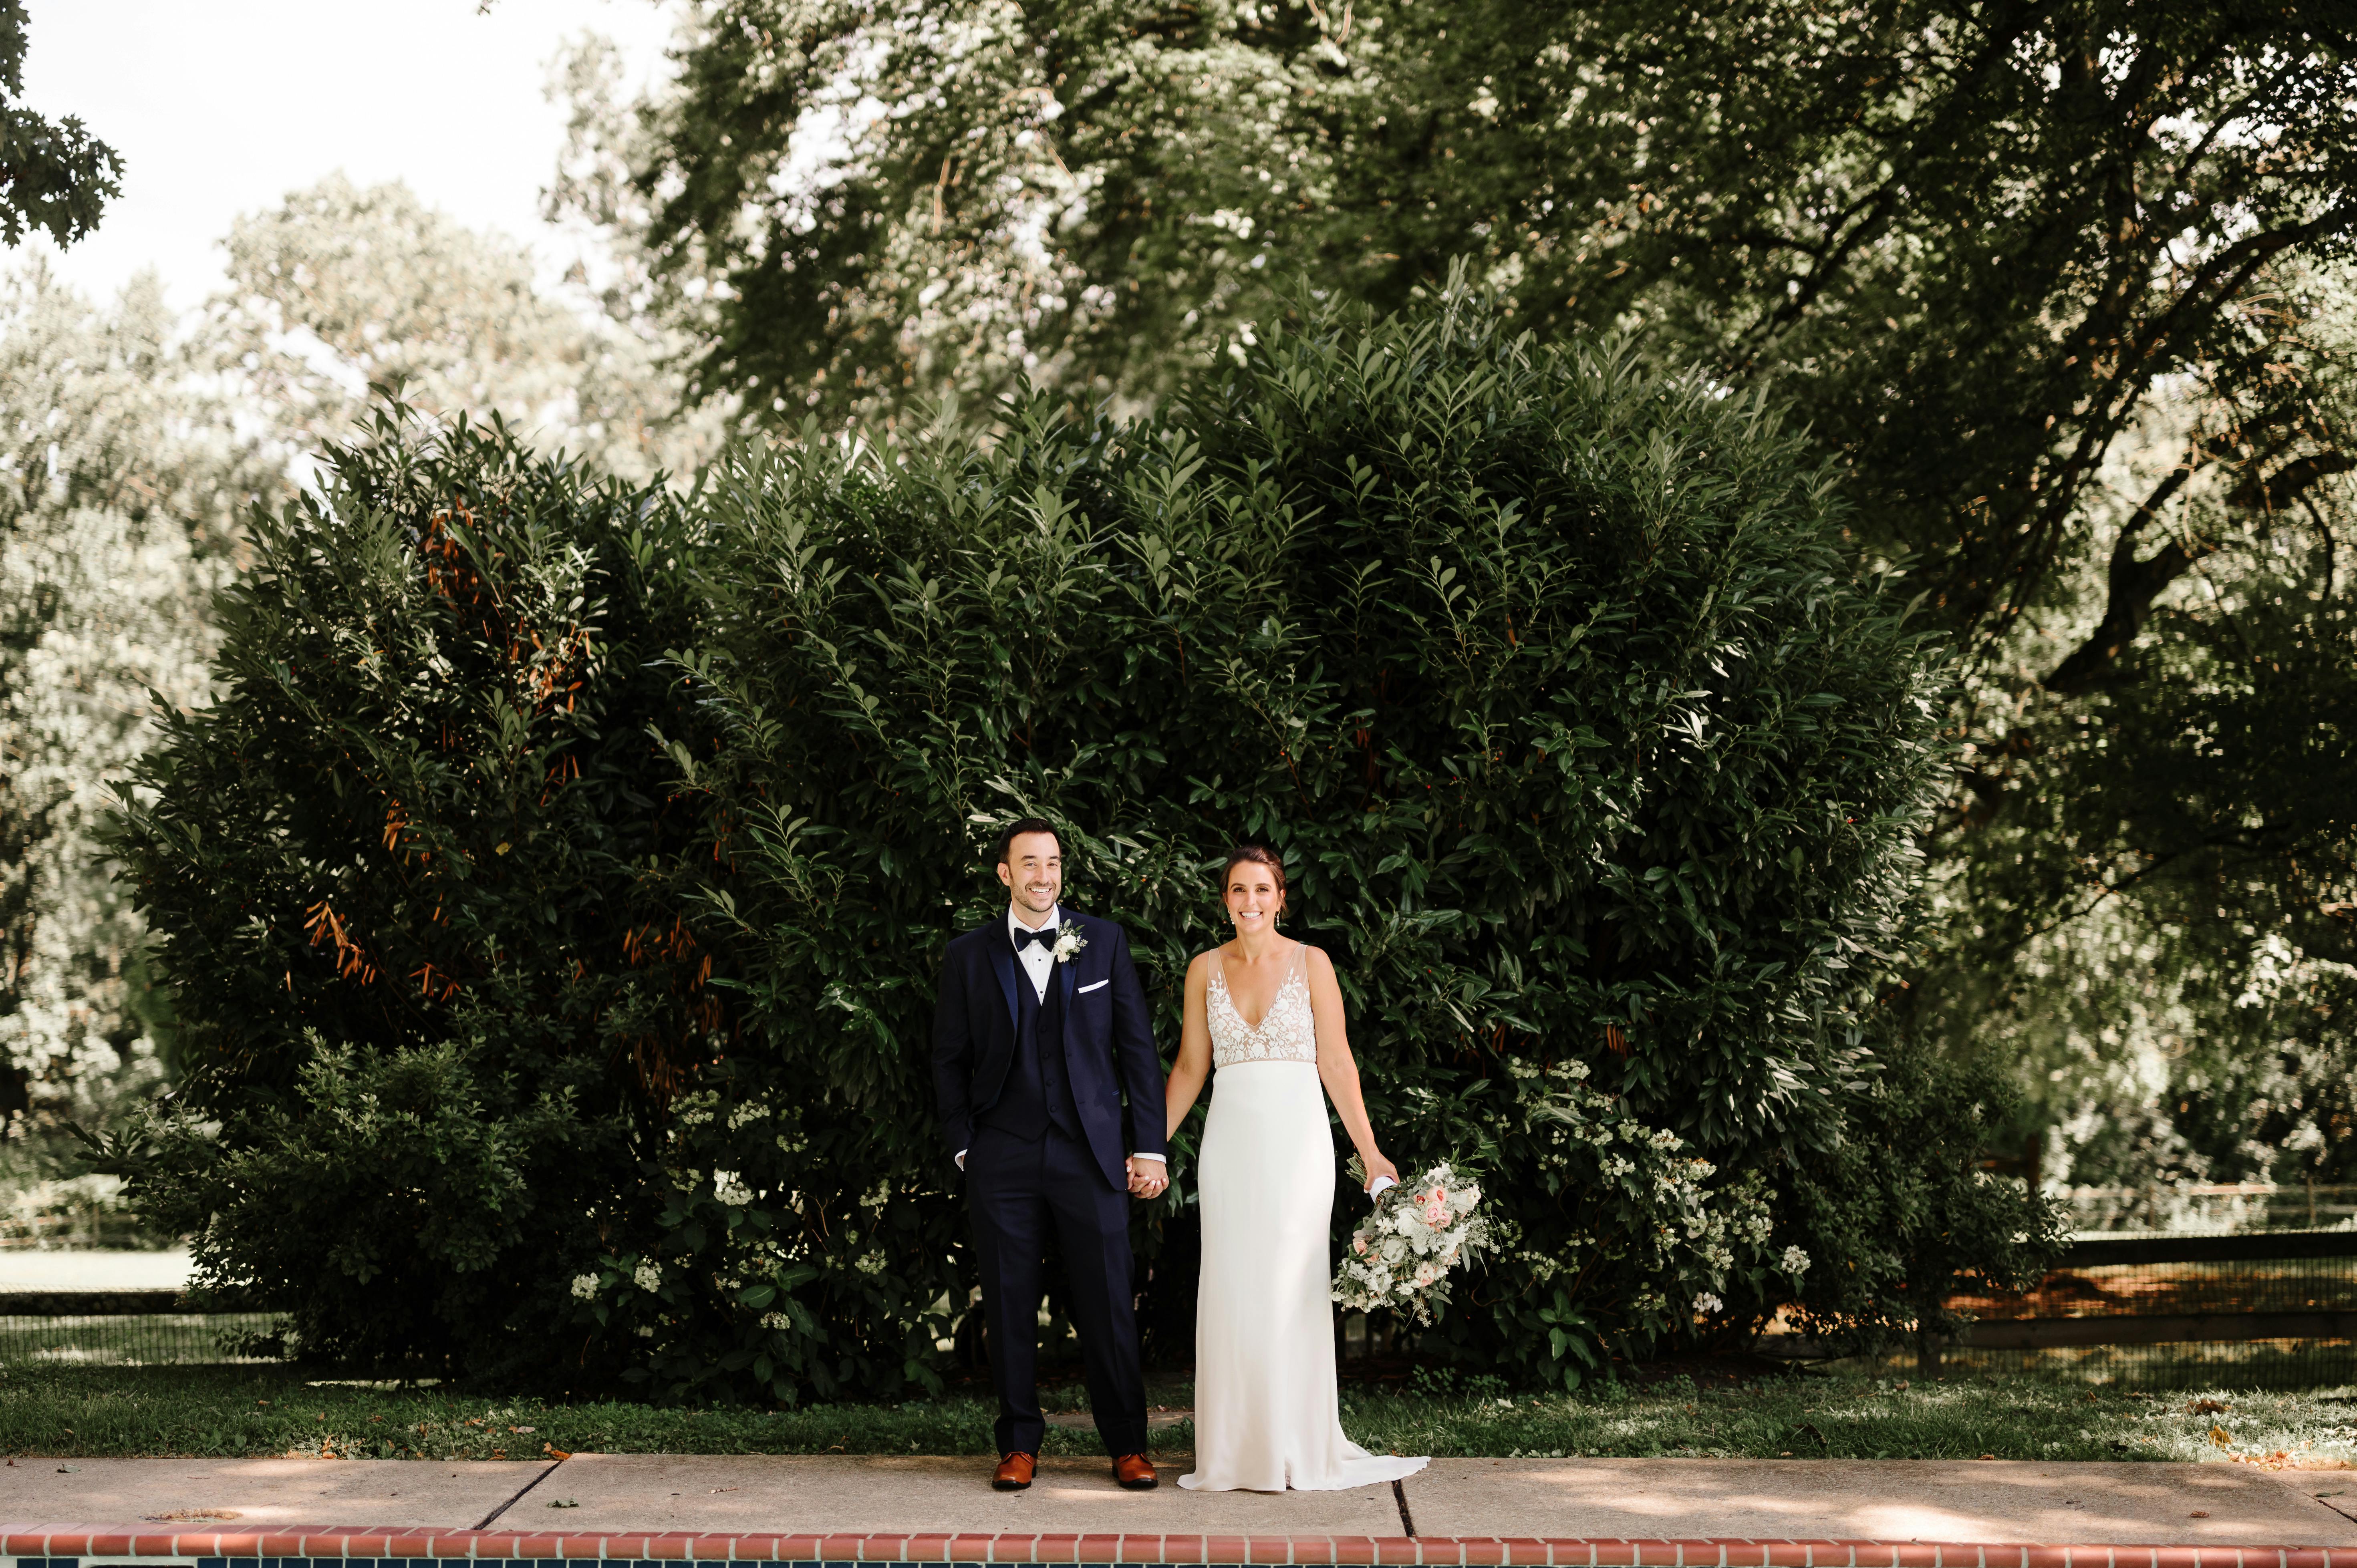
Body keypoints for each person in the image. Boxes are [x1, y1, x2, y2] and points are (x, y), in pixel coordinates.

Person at [1163, 844, 1429, 1492]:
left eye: (1262, 889)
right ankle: (1236, 1451)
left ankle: (1294, 1445)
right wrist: (1149, 1145)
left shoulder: (1313, 963)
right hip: (1230, 1150)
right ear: (1225, 901)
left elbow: (1336, 1062)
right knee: (1233, 1286)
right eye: (1238, 890)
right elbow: (1192, 1066)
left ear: (1281, 899)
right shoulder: (1203, 969)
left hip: (1298, 1147)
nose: (1250, 901)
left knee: (1289, 1286)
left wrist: (1371, 1154)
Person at [933, 817, 1170, 1493]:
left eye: (1054, 863)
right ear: (1005, 874)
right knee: (1009, 1303)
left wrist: (1148, 1148)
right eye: (1030, 863)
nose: (1044, 876)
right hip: (1001, 1155)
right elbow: (947, 1060)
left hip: (1089, 1153)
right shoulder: (967, 956)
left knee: (1109, 1301)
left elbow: (1137, 1052)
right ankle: (1018, 1445)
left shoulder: (1104, 941)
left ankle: (1127, 1445)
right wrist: (965, 1149)